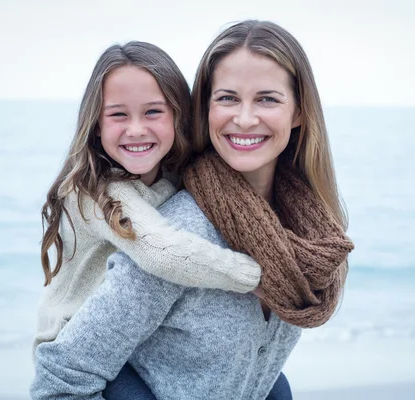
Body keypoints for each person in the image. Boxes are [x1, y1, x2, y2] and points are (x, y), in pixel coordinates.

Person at [31, 20, 354, 400]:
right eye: (228, 98)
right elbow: (59, 380)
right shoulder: (178, 236)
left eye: (267, 98)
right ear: (205, 110)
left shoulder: (311, 234)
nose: (245, 118)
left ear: (299, 112)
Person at [34, 41, 264, 355]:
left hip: (135, 342)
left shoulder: (172, 179)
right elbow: (161, 250)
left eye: (153, 111)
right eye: (118, 114)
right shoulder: (94, 192)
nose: (137, 129)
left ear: (177, 115)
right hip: (76, 346)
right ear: (97, 124)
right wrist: (257, 276)